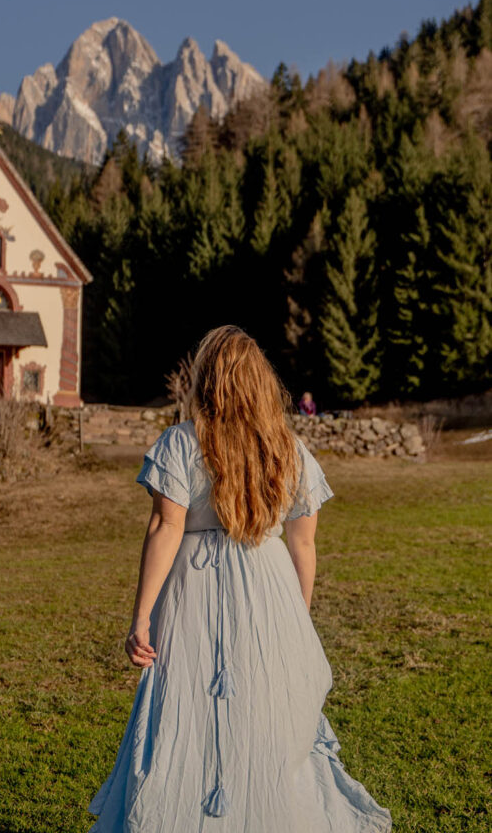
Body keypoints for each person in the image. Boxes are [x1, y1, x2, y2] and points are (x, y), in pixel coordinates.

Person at [88, 325, 392, 832]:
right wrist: (298, 614)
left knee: (185, 715)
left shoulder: (181, 443)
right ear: (260, 383)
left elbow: (166, 526)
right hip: (269, 584)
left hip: (193, 590)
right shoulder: (289, 449)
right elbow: (304, 543)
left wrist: (141, 617)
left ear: (207, 381)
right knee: (263, 711)